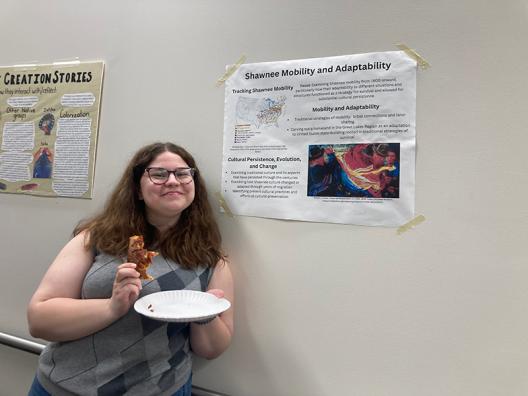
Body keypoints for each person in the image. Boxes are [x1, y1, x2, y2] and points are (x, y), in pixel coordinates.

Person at [27, 142, 234, 396]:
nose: (172, 181)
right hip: (65, 387)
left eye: (182, 173)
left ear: (193, 185)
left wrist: (207, 314)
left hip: (161, 389)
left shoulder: (211, 259)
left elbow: (211, 349)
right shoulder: (95, 238)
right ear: (137, 189)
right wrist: (112, 307)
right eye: (158, 174)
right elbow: (39, 320)